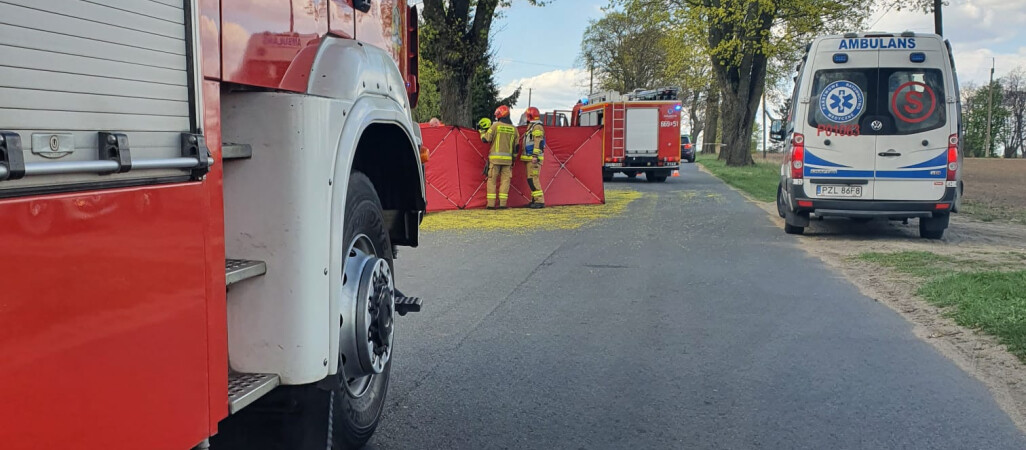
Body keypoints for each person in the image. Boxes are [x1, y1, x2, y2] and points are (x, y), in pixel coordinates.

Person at [480, 105, 518, 209]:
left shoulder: (495, 126)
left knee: (492, 181)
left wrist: (482, 132)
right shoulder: (514, 129)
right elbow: (516, 147)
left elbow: (485, 139)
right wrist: (513, 159)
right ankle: (503, 204)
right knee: (505, 182)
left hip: (495, 160)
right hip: (508, 162)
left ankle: (491, 205)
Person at [521, 106, 546, 208]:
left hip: (534, 158)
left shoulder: (537, 127)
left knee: (533, 179)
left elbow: (538, 141)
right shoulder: (532, 126)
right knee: (530, 179)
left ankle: (539, 201)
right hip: (530, 157)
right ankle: (535, 200)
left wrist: (535, 155)